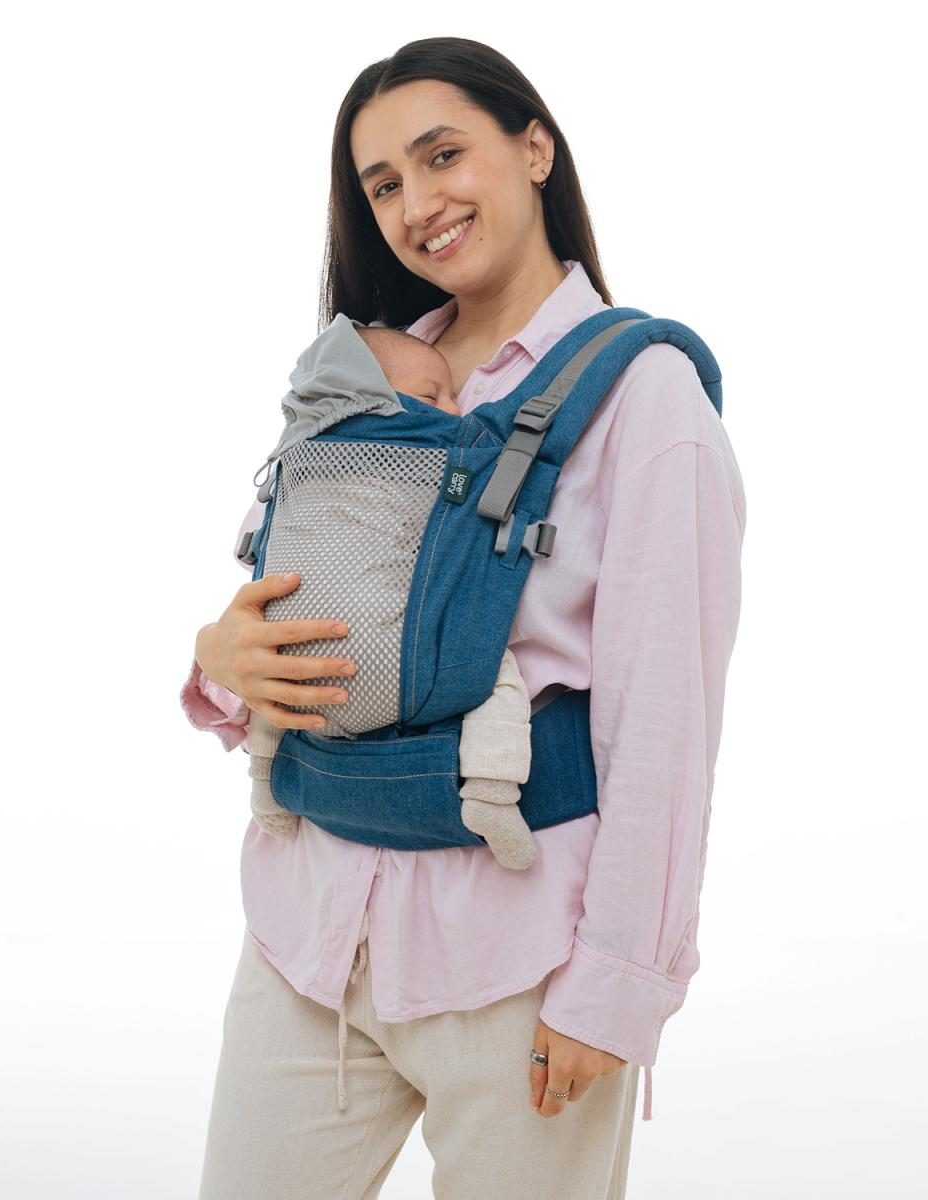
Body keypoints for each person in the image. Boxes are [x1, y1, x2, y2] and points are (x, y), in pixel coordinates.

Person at [181, 35, 746, 1199]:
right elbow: (298, 579)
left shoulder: (646, 398)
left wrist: (617, 988)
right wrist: (222, 657)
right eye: (383, 183)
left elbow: (664, 725)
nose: (416, 204)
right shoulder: (363, 373)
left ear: (535, 148)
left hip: (521, 964)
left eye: (443, 156)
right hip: (309, 927)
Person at [245, 315, 538, 871]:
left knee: (271, 698)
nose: (454, 409)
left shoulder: (297, 458)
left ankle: (264, 779)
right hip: (399, 659)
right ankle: (491, 792)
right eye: (432, 396)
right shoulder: (432, 457)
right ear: (371, 398)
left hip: (293, 652)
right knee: (492, 674)